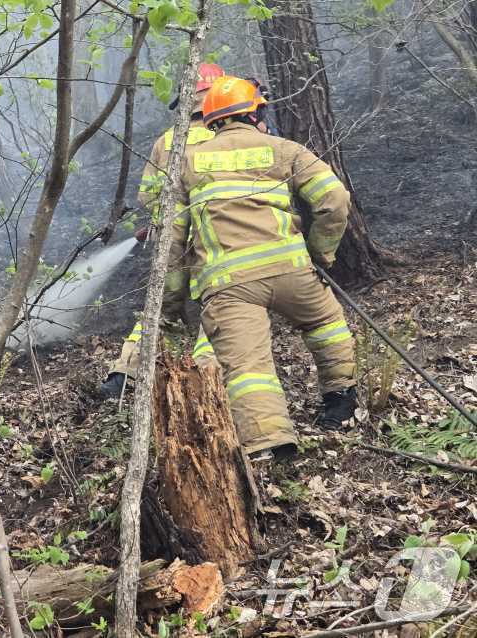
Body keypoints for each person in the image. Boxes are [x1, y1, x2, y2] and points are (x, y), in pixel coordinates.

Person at [161, 74, 357, 460]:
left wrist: (172, 301)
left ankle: (272, 445)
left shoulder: (186, 162)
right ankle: (341, 405)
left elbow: (173, 242)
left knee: (248, 368)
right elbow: (334, 198)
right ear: (256, 113)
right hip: (293, 272)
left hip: (231, 286)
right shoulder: (284, 149)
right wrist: (321, 254)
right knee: (327, 326)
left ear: (211, 120)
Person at [100, 63, 224, 400]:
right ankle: (205, 387)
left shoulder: (167, 141)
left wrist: (161, 220)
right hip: (221, 241)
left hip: (172, 243)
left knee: (160, 311)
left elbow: (148, 195)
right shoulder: (230, 136)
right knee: (222, 309)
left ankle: (123, 377)